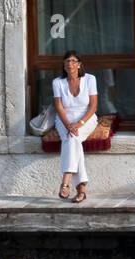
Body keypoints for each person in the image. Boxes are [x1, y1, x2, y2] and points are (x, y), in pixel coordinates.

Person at [53, 50, 98, 203]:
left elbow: (93, 106)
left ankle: (65, 182)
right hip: (64, 119)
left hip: (86, 118)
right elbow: (59, 107)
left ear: (79, 64)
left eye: (73, 61)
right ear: (64, 65)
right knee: (73, 140)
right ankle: (81, 189)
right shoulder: (57, 82)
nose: (70, 64)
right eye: (67, 61)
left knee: (72, 139)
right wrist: (68, 125)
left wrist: (79, 124)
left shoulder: (90, 79)